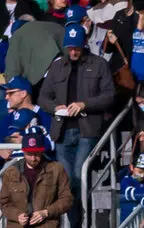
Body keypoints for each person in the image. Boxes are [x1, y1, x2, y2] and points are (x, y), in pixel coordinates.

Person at [40, 21, 114, 186]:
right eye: (70, 48)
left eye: (77, 48)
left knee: (80, 174)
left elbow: (109, 96)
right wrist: (55, 107)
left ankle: (83, 211)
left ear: (85, 43)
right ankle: (74, 212)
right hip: (61, 130)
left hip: (87, 129)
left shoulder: (99, 64)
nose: (73, 51)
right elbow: (43, 97)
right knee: (66, 180)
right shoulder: (57, 66)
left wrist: (84, 104)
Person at [0, 127, 73, 228]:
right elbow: (4, 203)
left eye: (37, 153)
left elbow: (67, 199)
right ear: (23, 151)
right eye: (29, 154)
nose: (33, 158)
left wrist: (46, 212)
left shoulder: (56, 169)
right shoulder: (12, 172)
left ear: (42, 151)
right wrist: (17, 215)